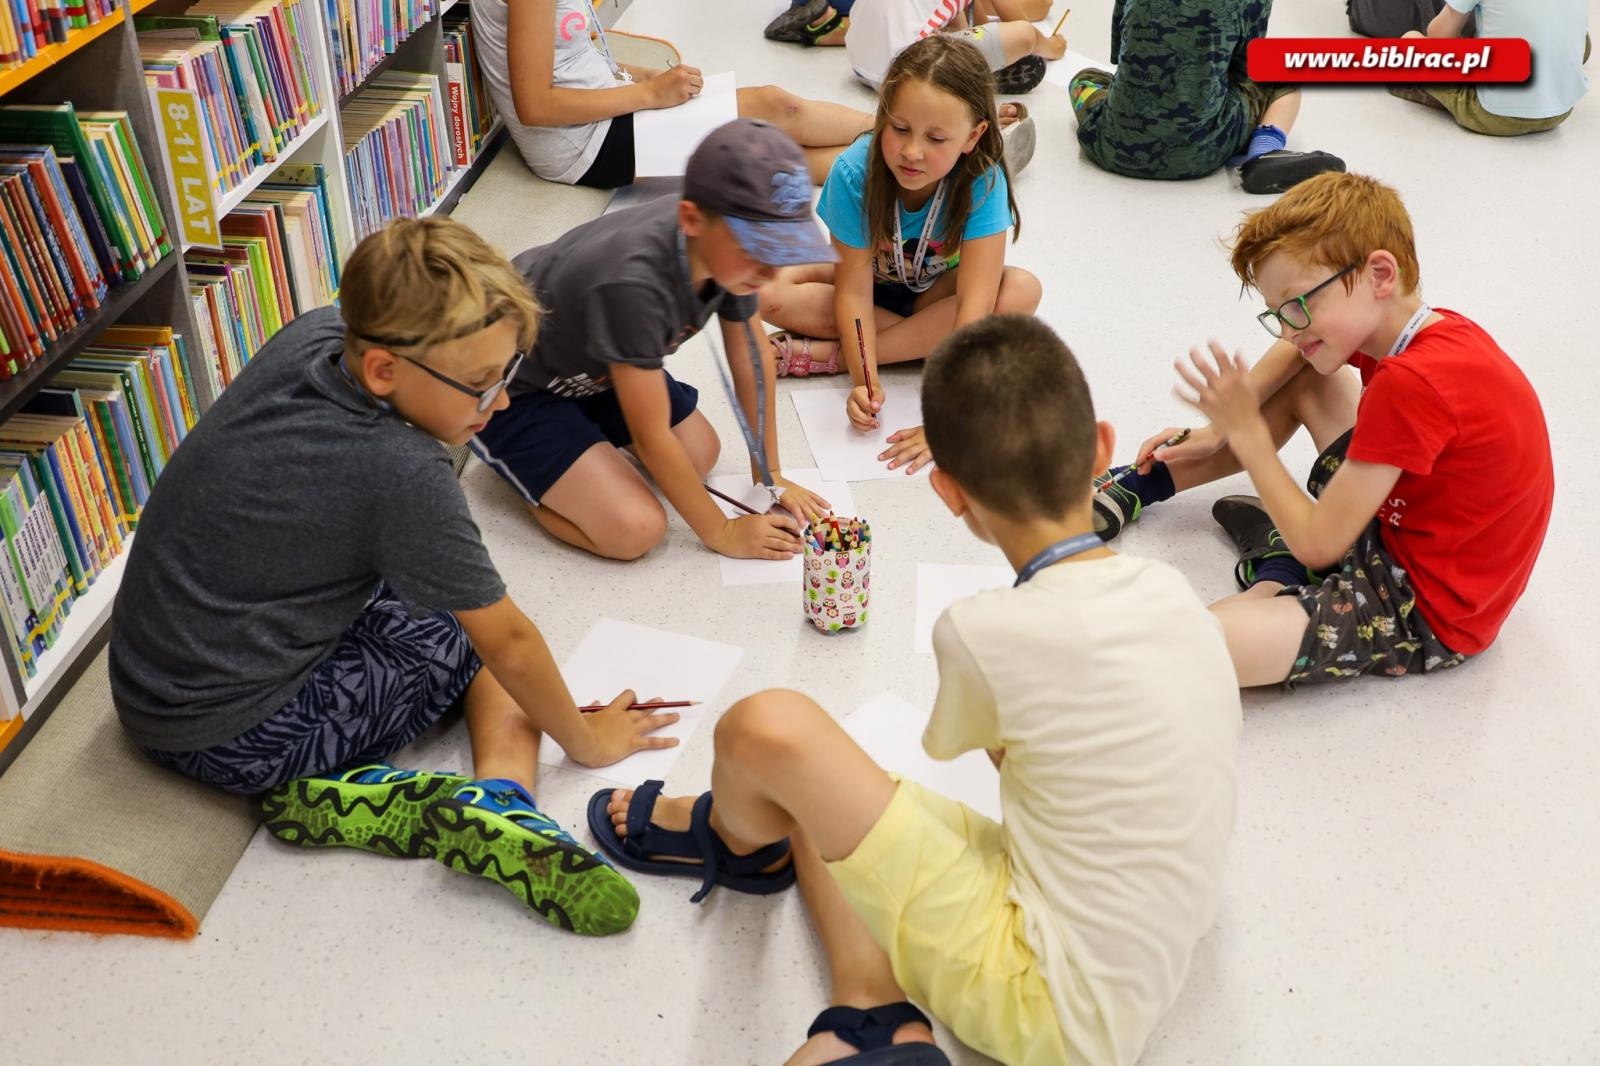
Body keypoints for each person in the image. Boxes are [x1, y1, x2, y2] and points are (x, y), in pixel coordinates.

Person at [587, 314, 1241, 1066]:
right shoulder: (1173, 590)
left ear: (948, 492)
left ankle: (737, 841)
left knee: (768, 726)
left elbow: (1002, 760)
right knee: (835, 791)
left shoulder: (982, 628)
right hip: (1149, 951)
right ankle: (867, 1004)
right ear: (1100, 446)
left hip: (1048, 1008)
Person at [109, 218, 678, 936]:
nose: (501, 402)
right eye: (480, 384)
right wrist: (588, 742)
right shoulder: (403, 472)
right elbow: (510, 642)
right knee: (475, 634)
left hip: (149, 680)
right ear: (385, 371)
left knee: (439, 592)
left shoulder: (319, 333)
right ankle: (492, 798)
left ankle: (406, 788)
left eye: (509, 373)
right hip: (235, 727)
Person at [1095, 172, 1553, 687]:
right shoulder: (1424, 328)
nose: (1290, 329)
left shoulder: (1413, 382)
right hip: (1399, 524)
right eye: (1277, 315)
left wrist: (1245, 430)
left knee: (1182, 648)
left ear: (1380, 274)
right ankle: (1144, 484)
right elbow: (1296, 354)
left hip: (1419, 606)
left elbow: (1320, 543)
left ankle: (1280, 574)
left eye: (1297, 306)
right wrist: (1218, 431)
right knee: (1313, 374)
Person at [472, 119, 836, 562]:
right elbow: (650, 436)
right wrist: (721, 531)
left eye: (779, 249)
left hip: (593, 371)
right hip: (511, 388)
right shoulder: (631, 285)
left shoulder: (728, 257)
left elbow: (753, 361)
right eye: (756, 247)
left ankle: (578, 456)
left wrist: (770, 473)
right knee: (636, 530)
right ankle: (528, 480)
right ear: (692, 220)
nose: (769, 270)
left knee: (700, 453)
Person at [759, 35, 1041, 476]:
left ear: (974, 136)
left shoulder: (983, 180)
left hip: (933, 299)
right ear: (882, 117)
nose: (912, 152)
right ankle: (889, 344)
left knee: (1021, 291)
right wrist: (864, 382)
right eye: (900, 128)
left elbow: (973, 305)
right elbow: (852, 292)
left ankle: (824, 355)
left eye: (936, 138)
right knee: (764, 294)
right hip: (869, 291)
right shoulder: (854, 171)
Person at [470, 0, 875, 187]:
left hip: (599, 108)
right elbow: (535, 106)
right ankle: (900, 134)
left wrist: (635, 75)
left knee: (768, 154)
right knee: (774, 105)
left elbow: (570, 56)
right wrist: (649, 95)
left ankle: (895, 154)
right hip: (580, 143)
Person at [1067, 0, 1345, 194]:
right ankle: (1264, 152)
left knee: (1085, 77)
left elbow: (1119, 56)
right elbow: (1247, 67)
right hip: (1204, 152)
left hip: (1111, 145)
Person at [1389, 1, 1589, 136]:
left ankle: (1442, 96)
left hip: (1496, 115)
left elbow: (1438, 36)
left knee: (1411, 42)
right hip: (1562, 109)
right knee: (1581, 41)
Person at [845, 0, 1066, 94]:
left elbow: (962, 18)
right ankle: (980, 74)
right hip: (907, 75)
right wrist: (1052, 46)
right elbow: (1021, 27)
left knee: (949, 28)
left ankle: (982, 67)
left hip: (860, 65)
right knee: (1024, 36)